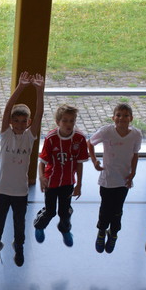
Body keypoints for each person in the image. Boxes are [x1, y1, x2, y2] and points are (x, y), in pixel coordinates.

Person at [0, 71, 43, 267]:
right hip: (2, 190)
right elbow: (7, 110)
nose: (20, 124)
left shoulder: (29, 137)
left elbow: (39, 114)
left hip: (20, 192)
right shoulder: (6, 135)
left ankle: (18, 246)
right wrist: (20, 87)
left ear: (28, 123)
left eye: (23, 121)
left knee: (19, 224)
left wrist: (39, 91)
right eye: (16, 121)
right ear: (11, 122)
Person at [88, 103, 142, 254]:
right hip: (107, 179)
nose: (121, 118)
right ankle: (101, 231)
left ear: (131, 118)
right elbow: (90, 143)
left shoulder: (136, 135)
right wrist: (94, 161)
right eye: (118, 115)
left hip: (123, 180)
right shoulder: (106, 132)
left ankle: (113, 233)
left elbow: (135, 154)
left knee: (118, 209)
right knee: (105, 208)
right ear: (113, 118)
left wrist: (133, 172)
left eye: (125, 116)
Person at [33, 104, 89, 247]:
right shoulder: (51, 138)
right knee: (50, 211)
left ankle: (65, 229)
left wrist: (79, 184)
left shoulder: (80, 138)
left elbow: (79, 163)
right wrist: (41, 177)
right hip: (51, 182)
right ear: (58, 122)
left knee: (65, 212)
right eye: (65, 120)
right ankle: (39, 226)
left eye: (72, 120)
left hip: (68, 182)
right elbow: (42, 162)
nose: (68, 124)